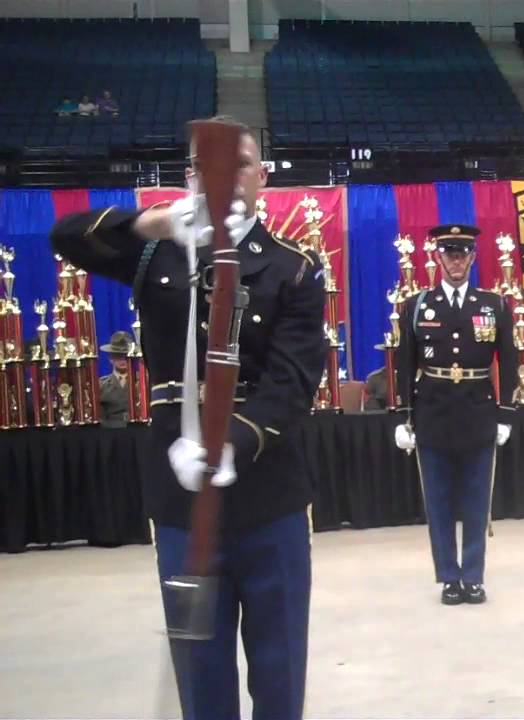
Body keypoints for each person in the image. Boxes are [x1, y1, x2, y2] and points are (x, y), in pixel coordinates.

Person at [49, 116, 325, 720]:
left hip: (267, 491)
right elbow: (66, 237)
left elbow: (295, 376)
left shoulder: (293, 267)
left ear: (263, 178)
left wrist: (237, 442)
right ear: (188, 176)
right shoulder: (157, 253)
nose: (224, 177)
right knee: (199, 670)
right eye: (205, 166)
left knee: (279, 664)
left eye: (240, 164)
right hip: (178, 492)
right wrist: (154, 222)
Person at [394, 224, 518, 606]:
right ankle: (449, 576)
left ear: (474, 258)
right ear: (437, 258)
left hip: (478, 412)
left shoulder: (493, 305)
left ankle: (474, 576)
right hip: (433, 413)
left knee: (478, 500)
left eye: (462, 254)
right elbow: (404, 365)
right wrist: (402, 417)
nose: (456, 261)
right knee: (440, 500)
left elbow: (510, 362)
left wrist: (506, 415)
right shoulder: (417, 307)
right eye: (449, 253)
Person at [98, 330, 135, 429]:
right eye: (118, 356)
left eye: (125, 356)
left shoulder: (141, 383)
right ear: (110, 358)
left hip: (136, 431)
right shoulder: (101, 385)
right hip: (110, 434)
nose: (122, 360)